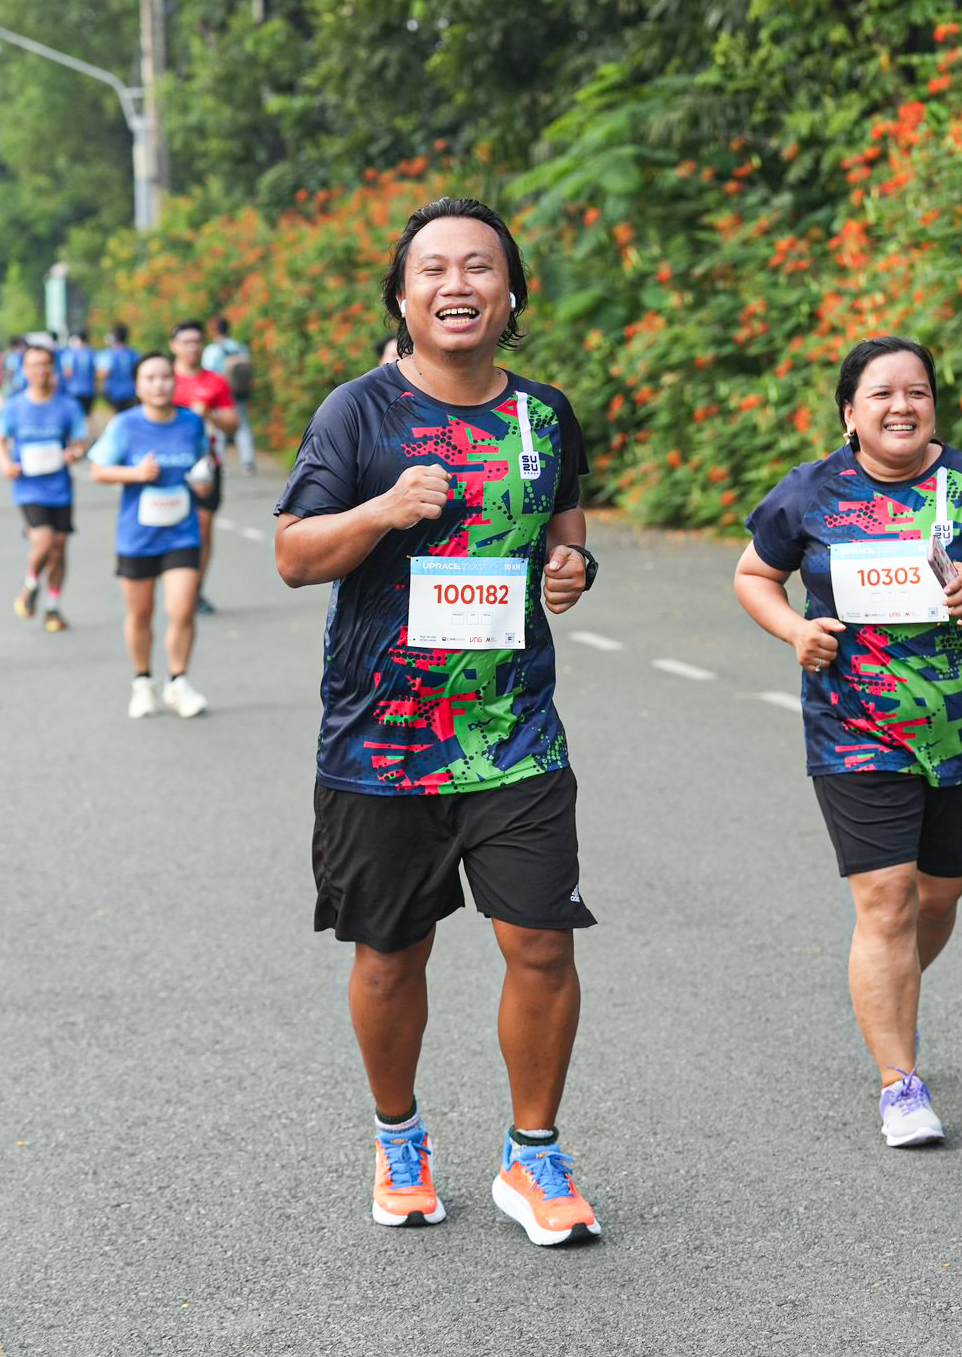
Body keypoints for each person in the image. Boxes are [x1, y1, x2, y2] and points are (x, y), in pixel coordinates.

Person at [274, 195, 601, 1246]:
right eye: (434, 270)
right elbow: (292, 553)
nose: (457, 284)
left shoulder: (543, 416)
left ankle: (533, 1156)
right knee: (389, 953)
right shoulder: (357, 414)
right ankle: (399, 1135)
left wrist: (571, 566)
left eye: (480, 267)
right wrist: (378, 511)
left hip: (514, 734)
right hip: (381, 743)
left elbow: (565, 526)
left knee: (542, 943)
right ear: (404, 296)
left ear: (512, 296)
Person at [734, 336, 962, 1147]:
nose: (900, 407)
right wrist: (793, 630)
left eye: (915, 392)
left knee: (937, 896)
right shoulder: (808, 493)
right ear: (849, 412)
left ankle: (885, 986)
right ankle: (898, 1084)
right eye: (880, 394)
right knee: (884, 899)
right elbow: (751, 574)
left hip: (954, 728)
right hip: (851, 729)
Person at [88, 353, 214, 718]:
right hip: (137, 536)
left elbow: (200, 466)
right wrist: (135, 474)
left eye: (164, 377)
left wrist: (203, 484)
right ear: (138, 385)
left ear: (173, 382)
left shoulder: (190, 423)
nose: (159, 384)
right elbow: (98, 470)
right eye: (150, 378)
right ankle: (142, 682)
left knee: (182, 608)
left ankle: (178, 682)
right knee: (140, 613)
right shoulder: (125, 425)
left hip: (181, 533)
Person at [0, 342, 88, 631]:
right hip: (29, 487)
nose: (40, 370)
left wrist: (73, 453)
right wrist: (5, 464)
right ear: (23, 369)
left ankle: (52, 608)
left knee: (59, 548)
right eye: (33, 364)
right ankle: (29, 584)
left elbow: (79, 441)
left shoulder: (68, 405)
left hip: (59, 486)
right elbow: (2, 440)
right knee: (45, 540)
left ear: (53, 368)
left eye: (45, 364)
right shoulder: (13, 406)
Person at [169, 319, 238, 615]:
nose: (192, 347)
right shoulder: (163, 379)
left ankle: (195, 590)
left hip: (205, 465)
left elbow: (232, 422)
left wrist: (208, 414)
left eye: (197, 341)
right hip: (168, 466)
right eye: (186, 342)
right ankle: (173, 582)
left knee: (203, 526)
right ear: (174, 346)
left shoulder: (215, 381)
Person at [203, 314, 257, 473]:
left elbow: (208, 373)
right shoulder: (239, 347)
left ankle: (219, 462)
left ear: (214, 330)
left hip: (220, 394)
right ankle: (248, 462)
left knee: (218, 427)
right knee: (243, 426)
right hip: (238, 392)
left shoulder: (212, 349)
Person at [97, 325, 140, 414]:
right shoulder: (134, 353)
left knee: (117, 416)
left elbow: (103, 374)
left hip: (113, 392)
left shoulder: (108, 354)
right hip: (131, 391)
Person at [61, 330, 97, 418]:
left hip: (74, 390)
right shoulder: (92, 352)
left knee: (74, 416)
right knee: (86, 416)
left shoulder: (70, 354)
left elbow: (67, 373)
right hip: (89, 389)